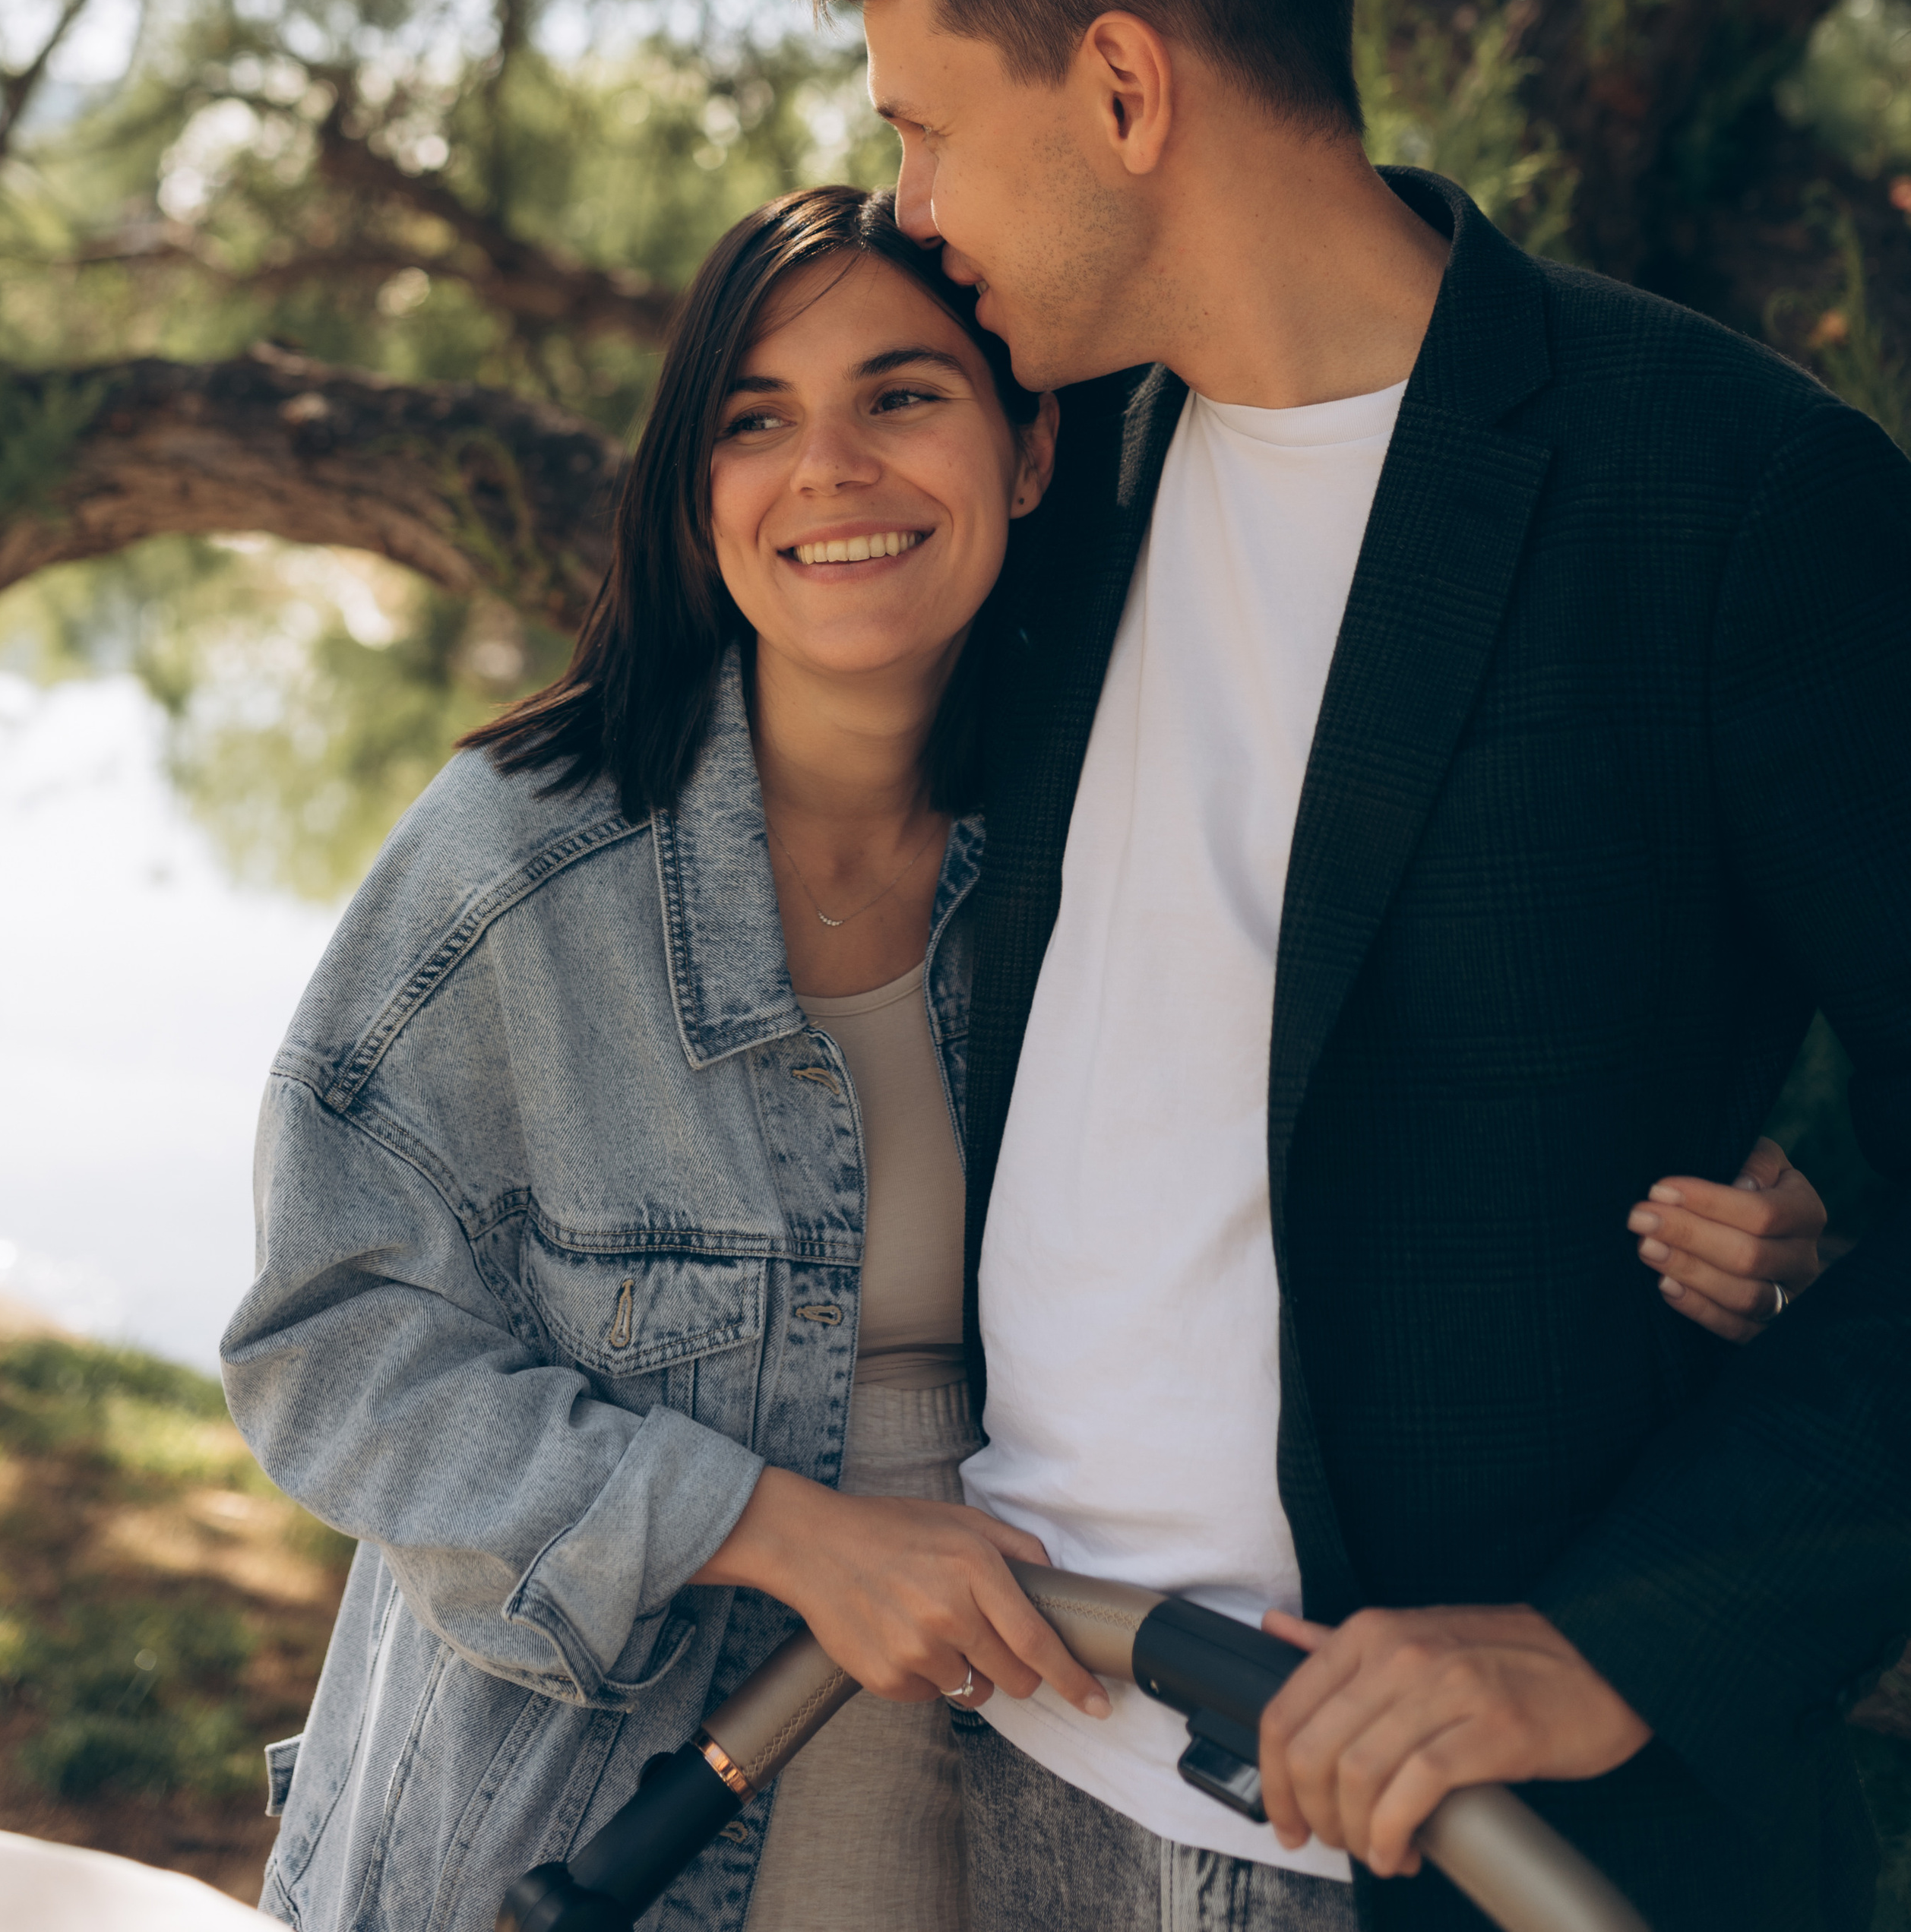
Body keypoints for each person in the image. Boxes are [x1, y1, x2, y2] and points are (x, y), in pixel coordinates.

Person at [221, 175, 1817, 1932]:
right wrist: (768, 1526)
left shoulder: (1080, 835)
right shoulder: (518, 861)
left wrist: (1769, 1207)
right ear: (694, 498)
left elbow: (1378, 1110)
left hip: (1013, 1732)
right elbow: (328, 1347)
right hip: (591, 1783)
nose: (829, 469)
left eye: (901, 395)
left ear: (1031, 452)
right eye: (755, 421)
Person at [798, 0, 1911, 1932]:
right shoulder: (1045, 487)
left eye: (928, 132)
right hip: (999, 1764)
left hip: (1452, 1860)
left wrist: (1617, 1642)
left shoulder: (1735, 500)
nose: (909, 213)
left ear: (1126, 89)